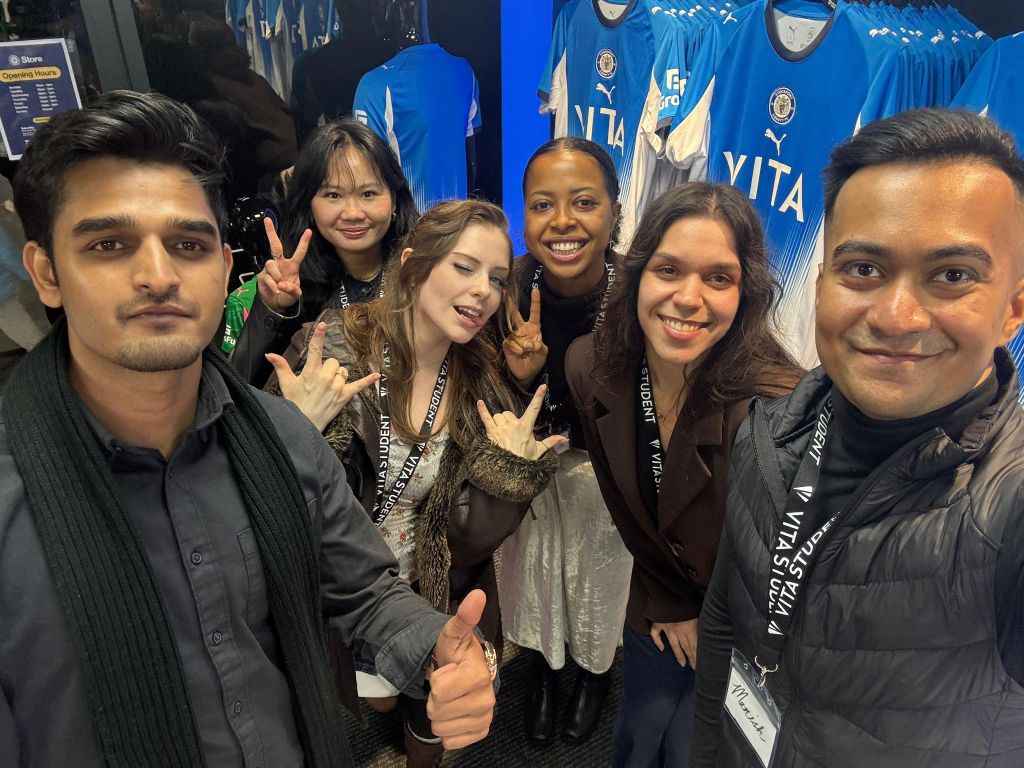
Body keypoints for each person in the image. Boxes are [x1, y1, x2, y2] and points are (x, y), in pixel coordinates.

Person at [0, 90, 497, 768]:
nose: (157, 276)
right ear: (46, 273)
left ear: (222, 265)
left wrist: (440, 645)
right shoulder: (14, 495)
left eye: (188, 244)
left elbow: (363, 590)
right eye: (109, 245)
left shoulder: (280, 440)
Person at [689, 108, 1024, 768]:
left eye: (952, 275)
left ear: (1013, 308)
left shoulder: (1007, 514)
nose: (897, 317)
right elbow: (725, 620)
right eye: (864, 269)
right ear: (821, 287)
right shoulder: (768, 432)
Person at [266, 198, 564, 766]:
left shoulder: (481, 383)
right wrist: (297, 430)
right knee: (367, 697)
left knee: (429, 721)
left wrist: (507, 479)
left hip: (431, 593)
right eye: (464, 266)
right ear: (413, 265)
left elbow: (465, 546)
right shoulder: (331, 351)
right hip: (345, 591)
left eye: (496, 279)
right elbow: (271, 503)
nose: (482, 291)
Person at [564, 182, 801, 766]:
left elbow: (781, 570)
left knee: (697, 751)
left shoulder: (779, 411)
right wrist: (669, 602)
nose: (688, 298)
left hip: (743, 632)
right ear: (638, 274)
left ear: (745, 294)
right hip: (657, 595)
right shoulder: (591, 365)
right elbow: (623, 505)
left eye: (718, 278)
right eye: (668, 270)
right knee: (639, 738)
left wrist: (710, 624)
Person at [497, 137, 634, 745]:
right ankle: (545, 667)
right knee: (535, 572)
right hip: (530, 461)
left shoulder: (637, 293)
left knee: (598, 577)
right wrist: (521, 376)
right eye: (541, 205)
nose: (561, 222)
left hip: (607, 470)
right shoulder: (508, 285)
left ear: (613, 212)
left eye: (583, 202)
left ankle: (594, 671)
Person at [228, 118, 418, 384]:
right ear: (309, 204)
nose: (352, 213)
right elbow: (241, 385)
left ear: (394, 199)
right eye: (333, 195)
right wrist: (273, 309)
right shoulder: (290, 285)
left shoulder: (424, 270)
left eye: (368, 194)